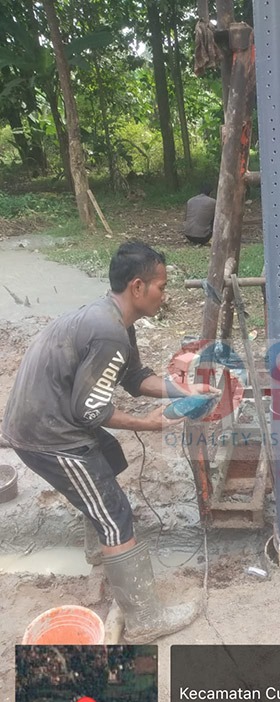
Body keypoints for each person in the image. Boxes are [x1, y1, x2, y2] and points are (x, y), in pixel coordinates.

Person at [1, 241, 220, 644]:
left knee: (109, 457)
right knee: (115, 513)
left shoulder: (115, 321)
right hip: (47, 434)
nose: (164, 295)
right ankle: (145, 619)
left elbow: (135, 379)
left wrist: (185, 389)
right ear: (138, 287)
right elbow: (90, 412)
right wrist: (148, 424)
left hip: (51, 416)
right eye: (161, 286)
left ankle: (101, 551)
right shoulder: (109, 334)